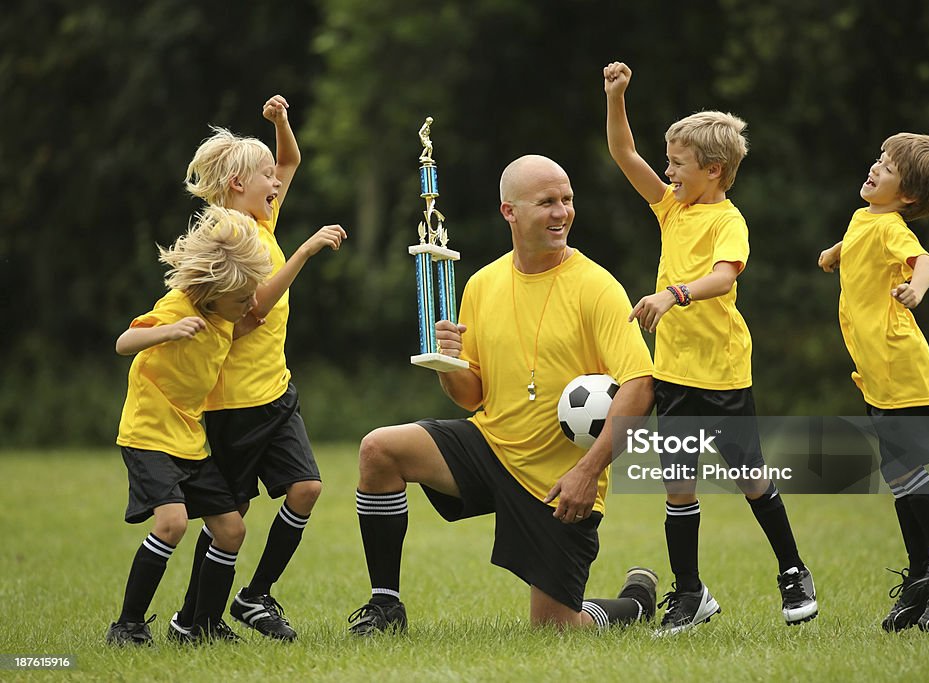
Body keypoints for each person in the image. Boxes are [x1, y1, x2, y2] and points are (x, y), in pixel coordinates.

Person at [347, 154, 657, 635]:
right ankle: (385, 606)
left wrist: (588, 471)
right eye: (547, 202)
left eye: (568, 200)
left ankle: (633, 604)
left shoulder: (597, 288)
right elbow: (473, 397)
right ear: (509, 212)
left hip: (559, 483)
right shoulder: (482, 284)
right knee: (379, 449)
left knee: (556, 630)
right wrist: (448, 364)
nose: (562, 212)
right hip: (490, 447)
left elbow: (641, 385)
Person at [603, 61, 818, 634]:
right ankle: (690, 593)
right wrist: (618, 96)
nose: (667, 171)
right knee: (678, 486)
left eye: (677, 163)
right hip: (673, 371)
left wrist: (672, 294)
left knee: (751, 479)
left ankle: (794, 570)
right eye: (669, 161)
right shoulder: (672, 207)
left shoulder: (729, 221)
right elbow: (624, 154)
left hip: (722, 373)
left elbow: (724, 278)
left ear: (713, 169)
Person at [171, 95, 346, 642]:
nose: (277, 181)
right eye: (264, 176)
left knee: (307, 488)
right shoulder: (231, 233)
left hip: (276, 394)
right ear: (234, 187)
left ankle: (254, 595)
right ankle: (192, 621)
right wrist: (305, 253)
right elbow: (253, 310)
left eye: (273, 176)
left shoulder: (261, 216)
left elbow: (290, 161)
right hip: (231, 405)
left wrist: (282, 124)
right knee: (233, 519)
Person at [818, 133, 929, 632]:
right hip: (874, 367)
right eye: (878, 159)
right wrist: (836, 252)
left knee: (905, 471)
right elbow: (860, 240)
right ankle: (920, 576)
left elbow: (923, 261)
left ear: (907, 195)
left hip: (896, 362)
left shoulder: (894, 227)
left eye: (886, 167)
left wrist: (916, 288)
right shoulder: (867, 215)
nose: (874, 168)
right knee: (897, 475)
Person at [107, 208, 273, 645]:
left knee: (232, 529)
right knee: (173, 524)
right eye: (242, 301)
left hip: (189, 441)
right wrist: (168, 332)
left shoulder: (222, 317)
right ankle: (127, 626)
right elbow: (124, 343)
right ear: (213, 294)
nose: (248, 306)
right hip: (149, 435)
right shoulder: (178, 306)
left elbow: (221, 337)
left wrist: (244, 324)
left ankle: (198, 628)